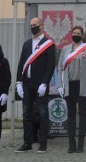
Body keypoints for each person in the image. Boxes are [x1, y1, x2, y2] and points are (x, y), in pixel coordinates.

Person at [15, 17, 56, 154]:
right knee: (26, 113)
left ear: (41, 26)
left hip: (40, 84)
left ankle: (43, 143)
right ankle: (27, 142)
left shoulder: (48, 44)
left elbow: (50, 66)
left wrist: (45, 83)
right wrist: (18, 82)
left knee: (43, 113)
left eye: (35, 25)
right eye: (31, 25)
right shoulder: (27, 44)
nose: (33, 27)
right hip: (27, 83)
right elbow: (21, 64)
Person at [58, 25, 86, 153]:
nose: (76, 34)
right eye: (74, 32)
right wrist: (60, 85)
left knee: (83, 113)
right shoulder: (65, 49)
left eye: (78, 33)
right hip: (69, 85)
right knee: (71, 113)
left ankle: (81, 143)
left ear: (82, 34)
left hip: (83, 85)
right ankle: (71, 143)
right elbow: (60, 69)